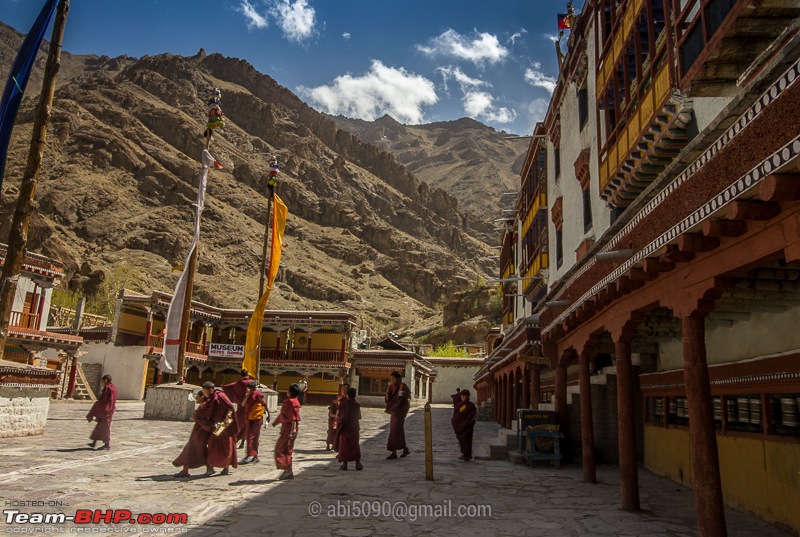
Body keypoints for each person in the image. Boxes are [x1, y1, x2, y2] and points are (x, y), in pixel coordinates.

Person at [173, 390, 213, 478]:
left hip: (200, 432)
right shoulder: (207, 406)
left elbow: (201, 419)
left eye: (197, 396)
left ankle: (185, 470)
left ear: (202, 397)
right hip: (203, 432)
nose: (196, 398)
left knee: (190, 450)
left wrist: (196, 417)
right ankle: (209, 467)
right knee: (200, 450)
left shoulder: (203, 407)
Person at [202, 381, 238, 476]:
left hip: (223, 425)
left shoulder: (220, 396)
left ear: (210, 390)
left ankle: (217, 467)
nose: (204, 394)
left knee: (216, 443)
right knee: (213, 443)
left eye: (205, 392)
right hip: (216, 424)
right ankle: (215, 467)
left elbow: (230, 407)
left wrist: (226, 421)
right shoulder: (212, 397)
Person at [272, 383, 301, 480]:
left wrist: (292, 429)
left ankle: (287, 469)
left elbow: (294, 417)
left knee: (281, 448)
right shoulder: (295, 402)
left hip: (289, 429)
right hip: (290, 428)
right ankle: (288, 470)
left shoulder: (290, 402)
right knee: (287, 449)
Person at [241, 381, 270, 464]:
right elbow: (243, 404)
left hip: (257, 418)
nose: (247, 389)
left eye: (249, 388)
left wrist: (268, 416)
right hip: (249, 418)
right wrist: (247, 396)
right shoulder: (248, 395)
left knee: (252, 437)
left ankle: (250, 454)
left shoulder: (257, 395)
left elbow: (264, 404)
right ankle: (255, 456)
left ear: (253, 389)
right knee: (252, 437)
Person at [222, 369, 251, 449]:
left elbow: (231, 387)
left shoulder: (239, 383)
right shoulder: (251, 382)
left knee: (237, 424)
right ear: (247, 374)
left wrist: (224, 387)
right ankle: (242, 442)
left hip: (241, 406)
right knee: (246, 426)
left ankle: (233, 440)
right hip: (250, 407)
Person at [86, 374, 117, 450]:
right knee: (99, 427)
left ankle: (107, 444)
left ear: (105, 380)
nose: (102, 383)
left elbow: (104, 399)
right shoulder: (113, 388)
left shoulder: (108, 387)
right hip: (110, 410)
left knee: (105, 428)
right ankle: (94, 443)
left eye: (103, 381)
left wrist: (97, 405)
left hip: (106, 410)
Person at [384, 371, 410, 459]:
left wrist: (399, 397)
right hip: (394, 411)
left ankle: (394, 452)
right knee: (396, 430)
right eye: (391, 379)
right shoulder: (391, 386)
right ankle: (404, 449)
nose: (392, 381)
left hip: (399, 411)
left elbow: (404, 396)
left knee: (395, 430)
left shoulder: (402, 386)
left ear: (398, 378)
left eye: (393, 379)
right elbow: (388, 397)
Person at [337, 388, 363, 471]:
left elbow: (341, 416)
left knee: (344, 445)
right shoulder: (357, 405)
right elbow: (359, 416)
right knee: (355, 445)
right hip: (354, 427)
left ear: (347, 395)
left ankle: (345, 464)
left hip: (345, 427)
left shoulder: (343, 405)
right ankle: (357, 463)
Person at [451, 389, 477, 461]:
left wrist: (468, 422)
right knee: (461, 439)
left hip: (468, 425)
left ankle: (467, 455)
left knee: (466, 439)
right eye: (462, 396)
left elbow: (473, 415)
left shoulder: (470, 405)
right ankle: (465, 453)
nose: (463, 397)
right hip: (461, 425)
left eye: (464, 396)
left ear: (467, 396)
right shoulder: (461, 404)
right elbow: (458, 414)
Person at [332, 383, 349, 452]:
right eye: (343, 389)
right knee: (339, 435)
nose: (344, 390)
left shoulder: (350, 400)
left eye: (346, 389)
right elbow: (338, 410)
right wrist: (335, 419)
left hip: (348, 420)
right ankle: (340, 450)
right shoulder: (340, 399)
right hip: (340, 419)